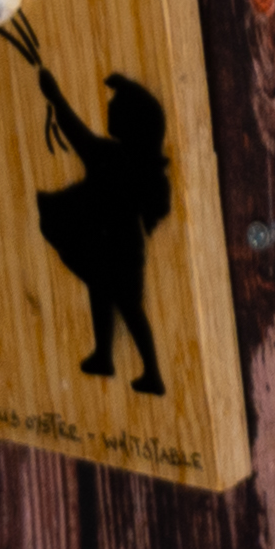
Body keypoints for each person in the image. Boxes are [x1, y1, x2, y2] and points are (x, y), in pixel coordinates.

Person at [29, 55, 174, 396]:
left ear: (132, 122)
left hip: (119, 248)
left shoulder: (113, 158)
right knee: (103, 296)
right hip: (112, 244)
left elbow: (75, 131)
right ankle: (105, 355)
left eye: (115, 106)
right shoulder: (132, 162)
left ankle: (151, 371)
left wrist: (56, 97)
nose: (108, 109)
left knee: (127, 306)